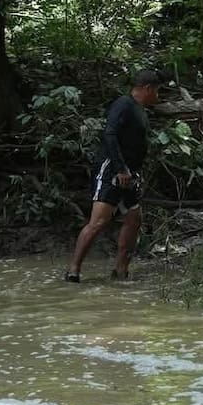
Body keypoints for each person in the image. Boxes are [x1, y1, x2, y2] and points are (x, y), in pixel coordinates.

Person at [65, 69, 161, 282]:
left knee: (134, 219)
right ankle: (73, 270)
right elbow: (109, 133)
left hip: (131, 173)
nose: (158, 96)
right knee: (98, 222)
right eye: (157, 91)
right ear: (148, 89)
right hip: (112, 169)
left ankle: (120, 270)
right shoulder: (123, 105)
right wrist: (120, 168)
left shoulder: (140, 110)